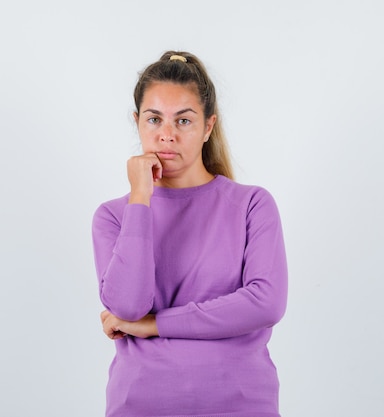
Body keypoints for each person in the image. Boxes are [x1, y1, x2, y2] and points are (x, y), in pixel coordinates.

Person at [92, 51, 288, 417]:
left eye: (183, 120)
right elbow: (128, 306)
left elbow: (265, 303)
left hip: (240, 406)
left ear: (208, 127)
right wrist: (140, 198)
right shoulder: (114, 216)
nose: (167, 135)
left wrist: (154, 325)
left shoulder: (251, 205)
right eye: (154, 119)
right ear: (137, 122)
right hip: (141, 406)